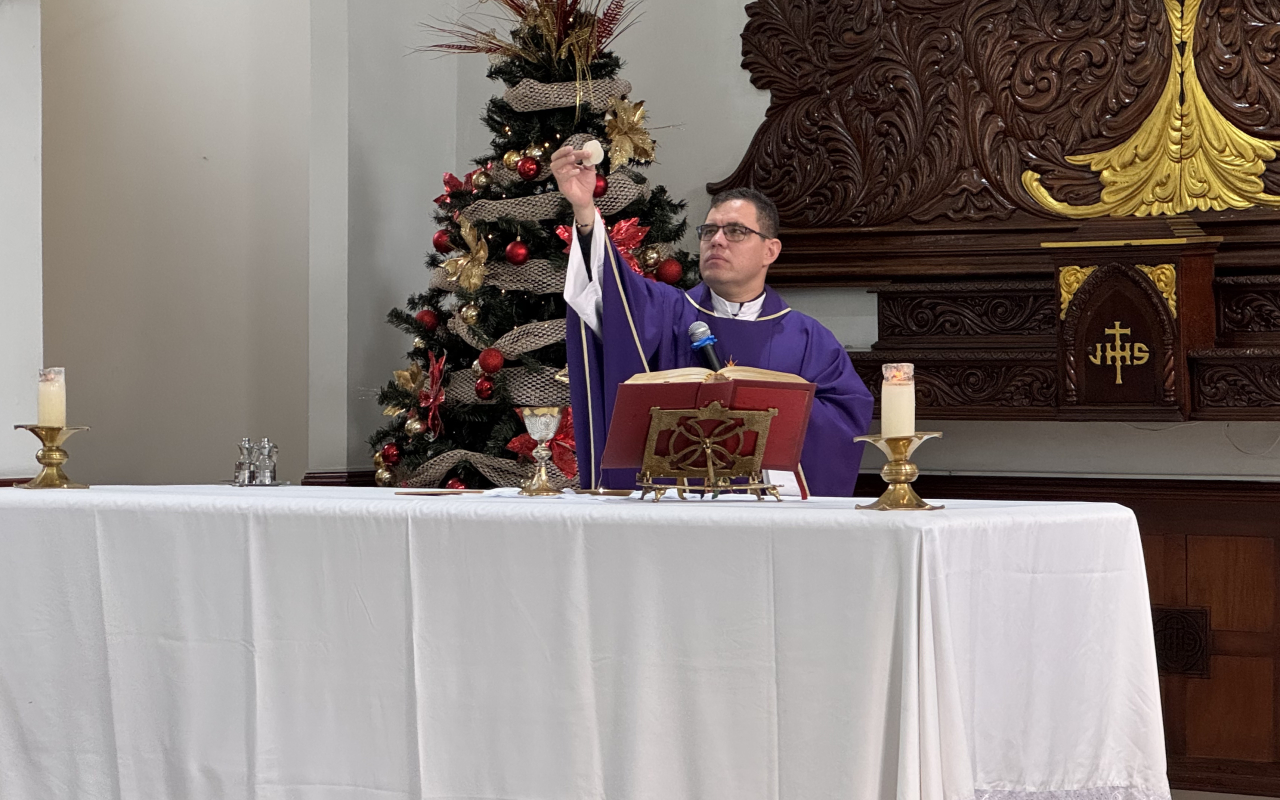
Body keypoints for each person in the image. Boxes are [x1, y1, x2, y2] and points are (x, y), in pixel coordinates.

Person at [553, 144, 873, 496]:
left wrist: (767, 416)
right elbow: (610, 295)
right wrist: (584, 210)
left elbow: (845, 420)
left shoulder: (809, 339)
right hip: (675, 510)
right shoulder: (668, 312)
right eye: (709, 231)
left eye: (735, 231)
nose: (717, 241)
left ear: (771, 251)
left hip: (769, 511)